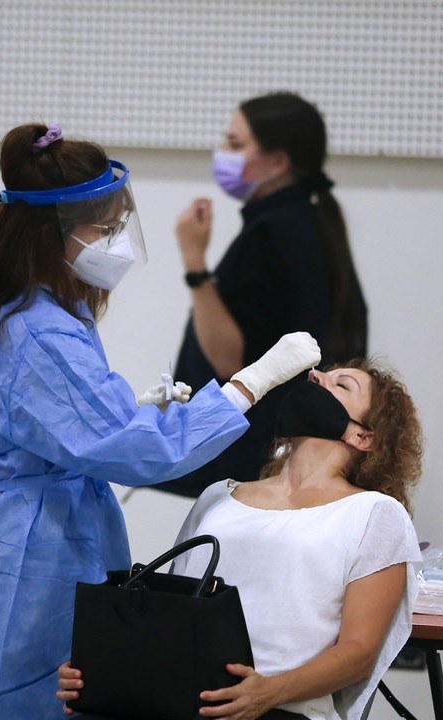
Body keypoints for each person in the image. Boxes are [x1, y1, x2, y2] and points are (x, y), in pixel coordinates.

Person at [0, 123, 321, 720]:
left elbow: (77, 427)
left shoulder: (43, 311)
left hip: (47, 537)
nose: (116, 243)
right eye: (104, 230)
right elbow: (139, 452)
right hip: (27, 557)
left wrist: (135, 411)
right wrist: (248, 384)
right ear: (50, 236)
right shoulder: (39, 332)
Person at [59, 360, 424, 720]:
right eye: (321, 373)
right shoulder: (219, 497)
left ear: (363, 436)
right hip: (179, 702)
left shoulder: (374, 514)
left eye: (341, 385)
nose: (315, 376)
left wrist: (268, 692)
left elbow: (359, 652)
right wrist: (104, 666)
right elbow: (172, 612)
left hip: (280, 709)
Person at [157, 92, 368, 497]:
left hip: (249, 450)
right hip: (274, 447)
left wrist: (194, 261)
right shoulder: (303, 222)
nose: (223, 152)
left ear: (277, 162)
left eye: (236, 144)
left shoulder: (275, 234)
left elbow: (229, 359)